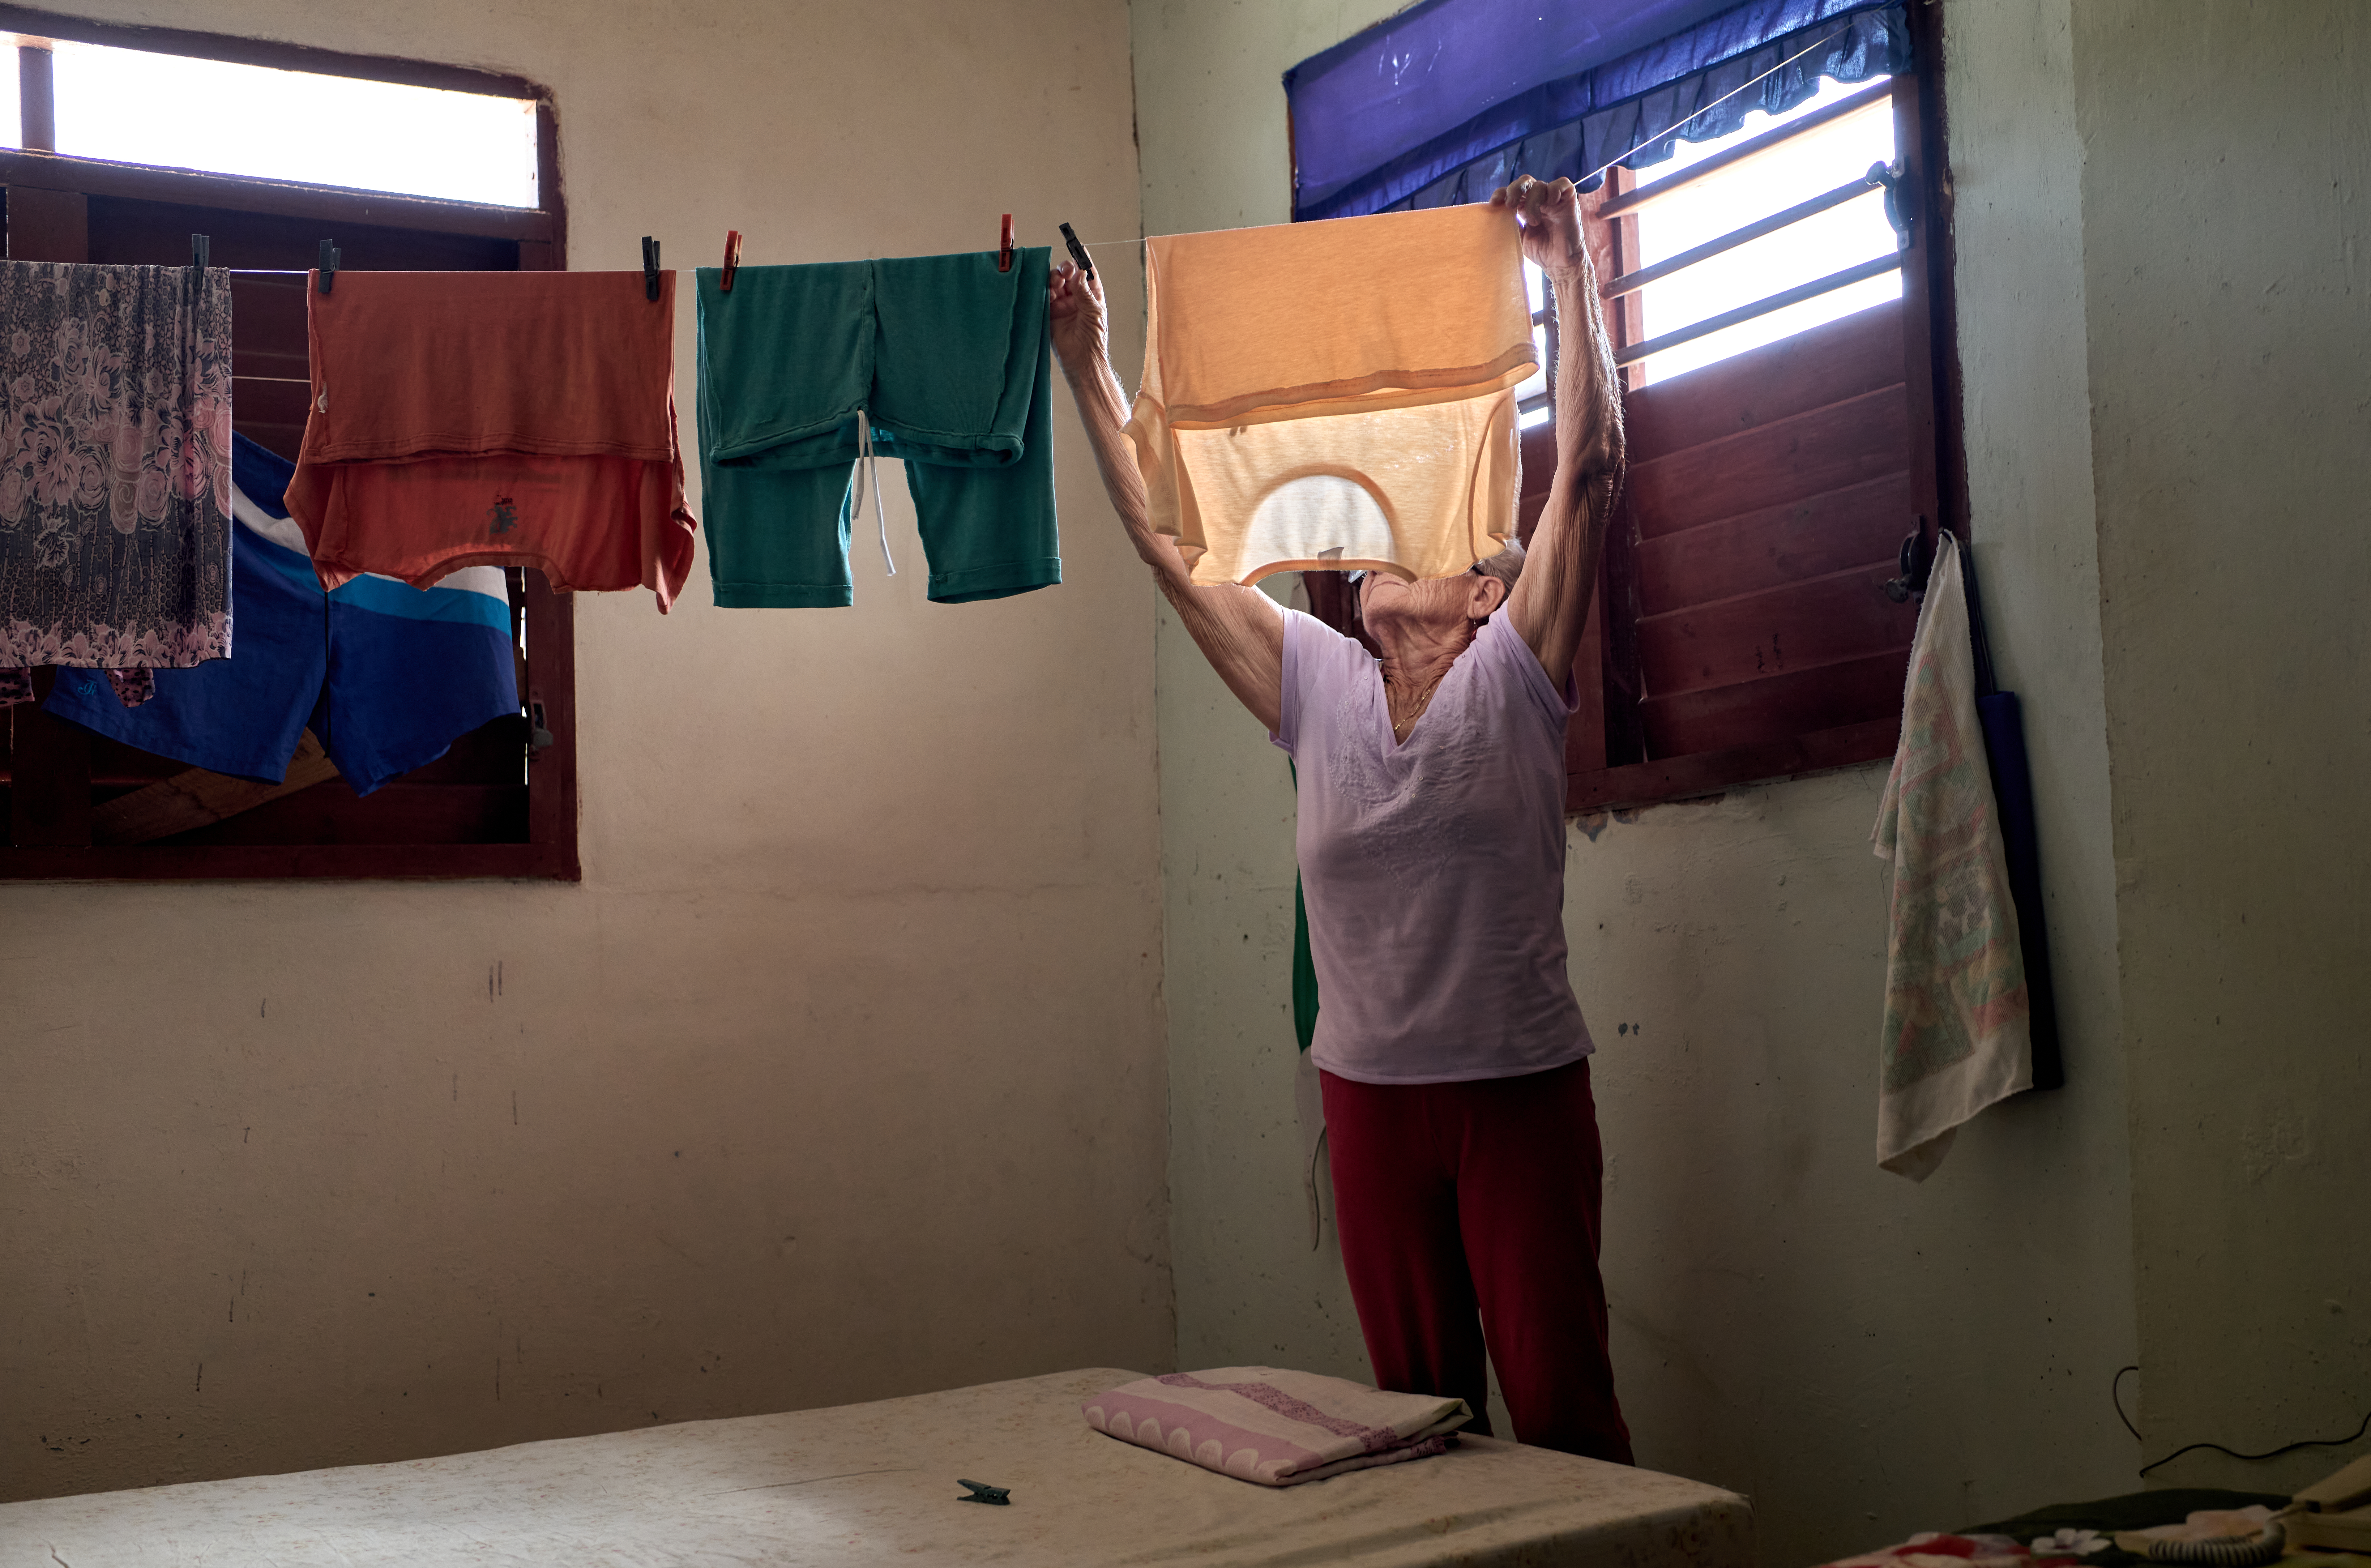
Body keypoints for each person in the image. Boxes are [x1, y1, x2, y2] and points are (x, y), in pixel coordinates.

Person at [1047, 175, 1631, 1463]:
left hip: (1518, 1095)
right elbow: (1170, 544)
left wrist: (1571, 274)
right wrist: (1086, 363)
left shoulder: (1517, 666)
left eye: (1408, 530)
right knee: (1418, 1432)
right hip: (1368, 1105)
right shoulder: (1315, 682)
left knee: (1566, 1423)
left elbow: (1589, 467)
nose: (1370, 547)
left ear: (1486, 585)